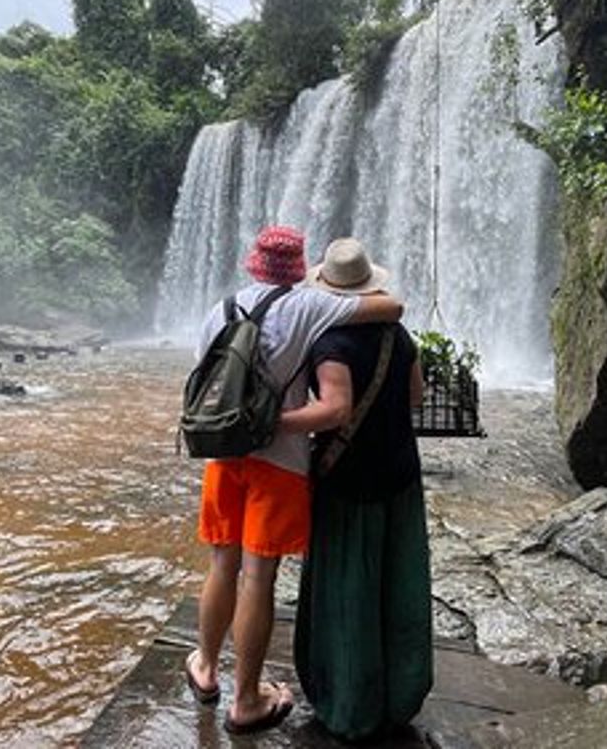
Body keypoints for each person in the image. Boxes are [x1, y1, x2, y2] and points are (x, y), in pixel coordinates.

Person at [185, 226, 404, 735]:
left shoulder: (220, 309)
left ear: (253, 264)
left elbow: (204, 378)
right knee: (259, 578)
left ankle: (205, 667)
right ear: (298, 268)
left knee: (222, 562)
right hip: (279, 463)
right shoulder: (307, 307)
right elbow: (392, 308)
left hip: (225, 454)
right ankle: (246, 701)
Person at [279, 237, 433, 742]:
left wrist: (271, 424)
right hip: (401, 474)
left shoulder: (331, 342)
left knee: (349, 590)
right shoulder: (398, 335)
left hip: (350, 480)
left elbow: (335, 410)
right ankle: (400, 696)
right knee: (396, 583)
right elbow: (416, 397)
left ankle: (349, 707)